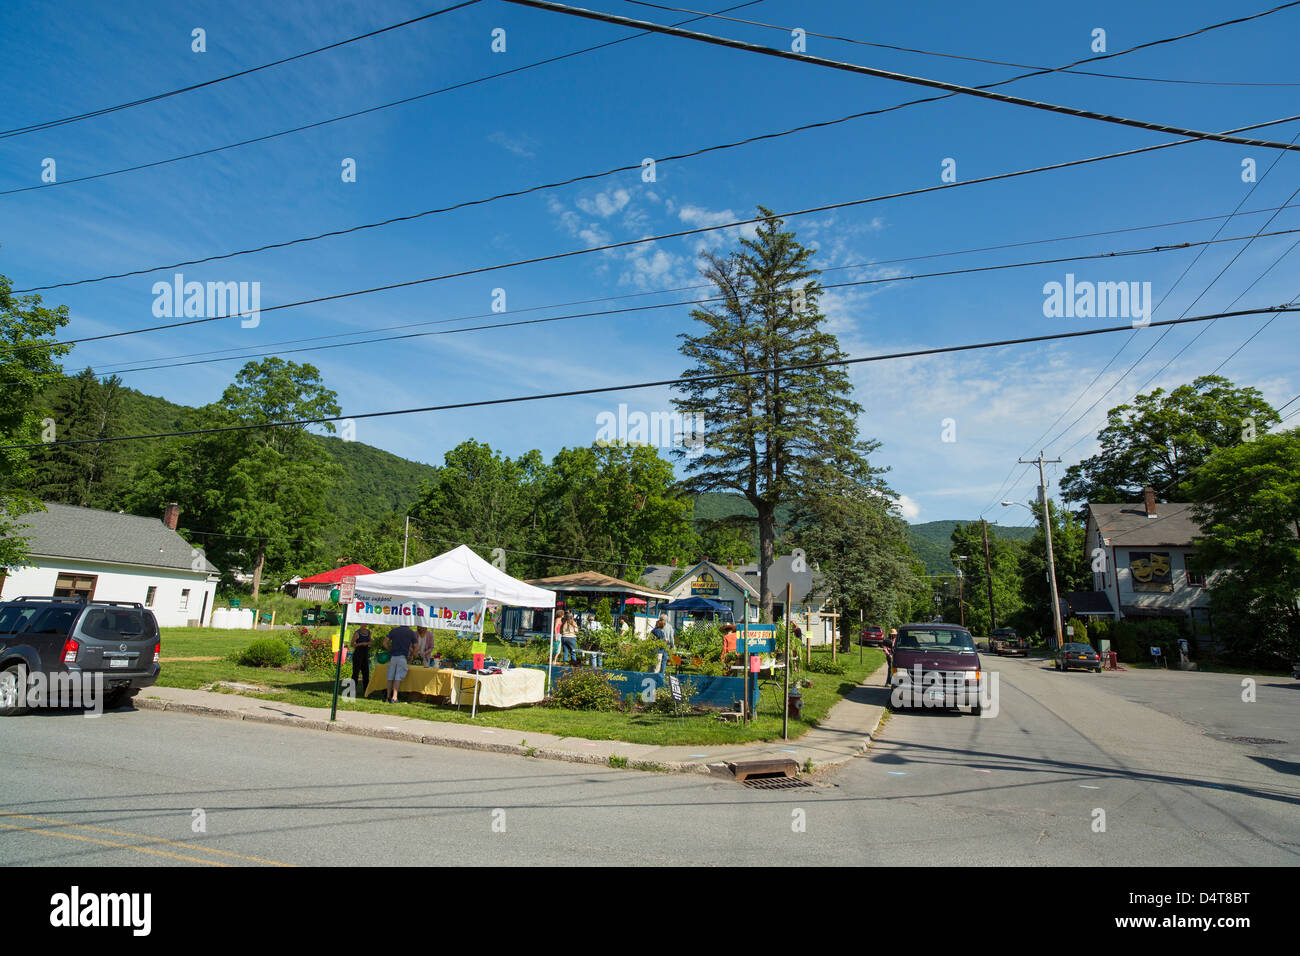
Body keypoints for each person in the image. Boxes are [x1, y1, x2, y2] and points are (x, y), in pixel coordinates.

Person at [384, 624, 417, 703]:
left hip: (393, 657)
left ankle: (388, 697)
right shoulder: (411, 632)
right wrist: (412, 655)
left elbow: (384, 643)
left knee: (390, 677)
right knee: (398, 677)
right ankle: (394, 697)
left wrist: (389, 650)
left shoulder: (394, 630)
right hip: (402, 657)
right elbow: (416, 646)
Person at [350, 624, 372, 698]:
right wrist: (361, 644)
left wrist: (369, 643)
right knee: (355, 673)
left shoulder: (369, 632)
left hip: (365, 654)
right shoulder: (357, 633)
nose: (364, 625)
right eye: (363, 623)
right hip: (358, 654)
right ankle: (352, 691)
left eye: (365, 624)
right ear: (360, 624)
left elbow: (371, 642)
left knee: (366, 673)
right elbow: (352, 644)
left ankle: (366, 691)